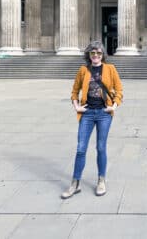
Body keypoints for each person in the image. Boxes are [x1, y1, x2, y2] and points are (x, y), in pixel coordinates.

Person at [61, 41, 123, 199]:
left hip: (104, 113)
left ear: (103, 55)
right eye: (93, 53)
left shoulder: (110, 69)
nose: (96, 56)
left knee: (101, 148)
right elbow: (75, 91)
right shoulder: (83, 70)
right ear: (88, 55)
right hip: (87, 113)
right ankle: (75, 183)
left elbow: (119, 89)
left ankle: (101, 180)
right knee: (81, 149)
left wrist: (114, 106)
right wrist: (77, 107)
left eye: (99, 53)